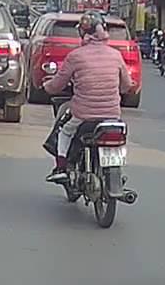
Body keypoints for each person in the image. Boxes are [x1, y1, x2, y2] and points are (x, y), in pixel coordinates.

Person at [41, 11, 133, 184]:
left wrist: (46, 87)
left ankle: (61, 167)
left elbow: (57, 85)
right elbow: (127, 86)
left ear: (82, 32)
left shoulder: (76, 56)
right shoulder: (116, 55)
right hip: (112, 115)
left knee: (65, 131)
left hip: (83, 115)